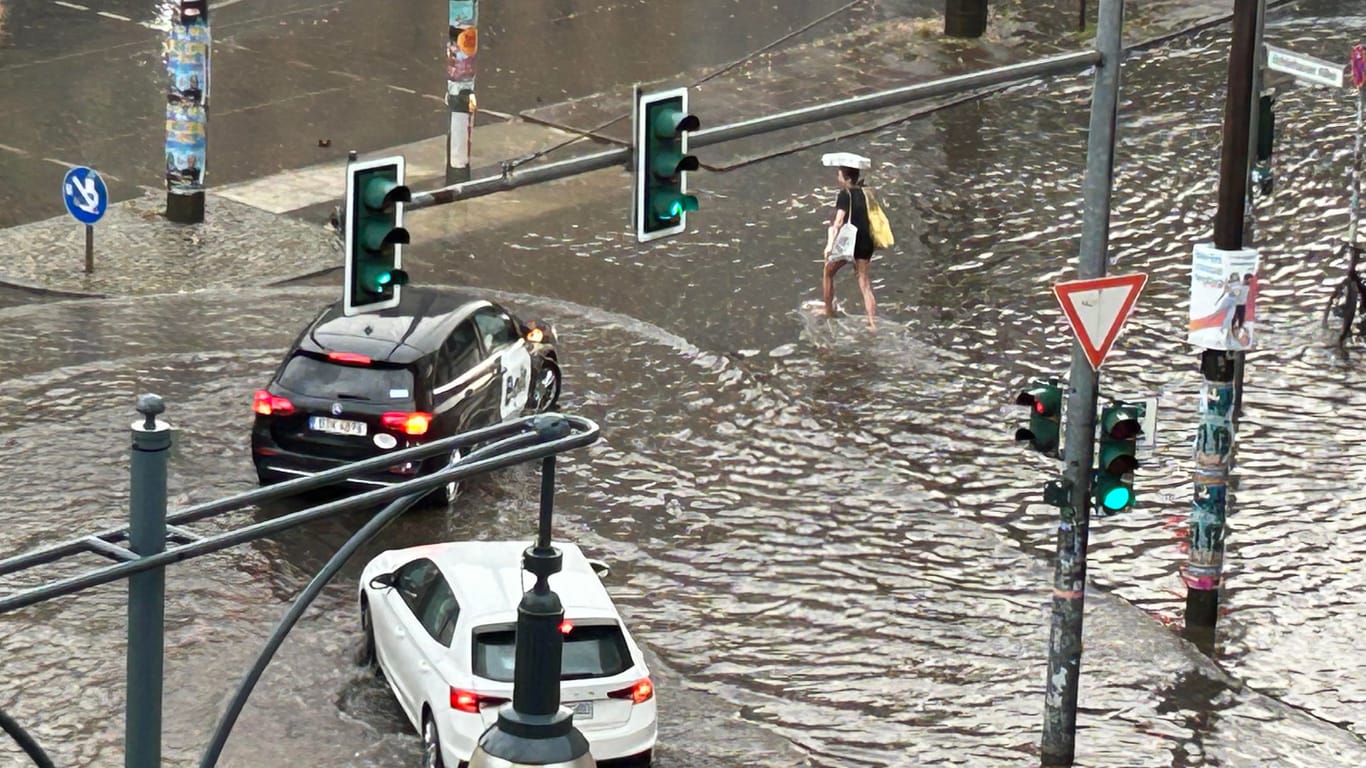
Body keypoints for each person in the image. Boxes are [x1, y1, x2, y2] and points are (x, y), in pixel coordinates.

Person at [822, 165, 877, 330]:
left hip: (850, 243)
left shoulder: (844, 195)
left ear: (847, 179)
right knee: (864, 283)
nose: (838, 179)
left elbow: (838, 222)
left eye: (840, 176)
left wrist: (830, 244)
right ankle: (873, 324)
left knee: (828, 272)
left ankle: (828, 311)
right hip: (866, 241)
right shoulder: (865, 193)